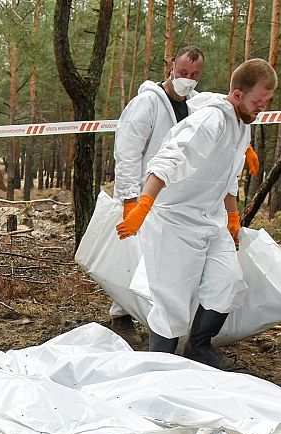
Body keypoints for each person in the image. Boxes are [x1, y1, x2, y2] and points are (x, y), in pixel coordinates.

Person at [117, 59, 278, 369]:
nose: (262, 108)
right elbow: (169, 158)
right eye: (258, 101)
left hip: (210, 218)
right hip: (174, 220)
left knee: (227, 280)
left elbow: (227, 179)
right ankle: (159, 366)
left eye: (267, 101)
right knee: (171, 300)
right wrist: (142, 205)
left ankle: (199, 347)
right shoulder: (210, 121)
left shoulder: (242, 124)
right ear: (236, 94)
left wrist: (233, 217)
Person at [109, 47, 205, 330]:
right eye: (183, 72)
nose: (187, 79)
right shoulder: (148, 102)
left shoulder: (196, 105)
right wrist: (129, 197)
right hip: (142, 192)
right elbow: (127, 151)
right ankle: (121, 315)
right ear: (171, 68)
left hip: (175, 197)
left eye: (194, 75)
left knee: (161, 262)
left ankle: (158, 318)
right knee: (136, 258)